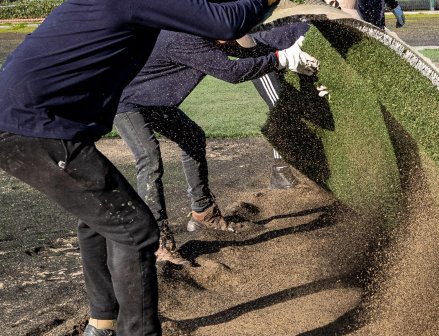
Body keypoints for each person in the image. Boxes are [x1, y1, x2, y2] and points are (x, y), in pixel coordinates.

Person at [0, 0, 304, 336]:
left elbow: (205, 3)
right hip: (35, 130)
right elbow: (222, 22)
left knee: (101, 220)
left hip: (22, 124)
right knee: (135, 230)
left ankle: (103, 320)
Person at [114, 21, 320, 266]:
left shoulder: (210, 32)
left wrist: (302, 33)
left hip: (154, 101)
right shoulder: (188, 39)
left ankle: (203, 211)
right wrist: (281, 59)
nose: (233, 46)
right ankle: (158, 240)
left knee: (192, 136)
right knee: (150, 158)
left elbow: (253, 50)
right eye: (231, 41)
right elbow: (233, 73)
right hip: (125, 101)